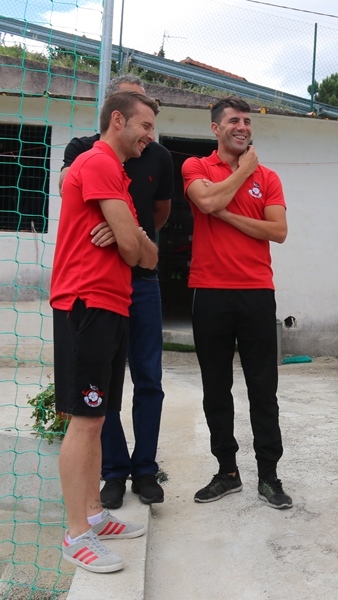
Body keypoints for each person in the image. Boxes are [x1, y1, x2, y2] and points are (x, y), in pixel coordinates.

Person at [51, 90, 160, 573]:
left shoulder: (117, 175)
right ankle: (76, 535)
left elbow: (148, 256)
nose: (150, 138)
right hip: (85, 302)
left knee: (98, 416)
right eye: (146, 126)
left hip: (112, 303)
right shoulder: (96, 163)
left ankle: (94, 514)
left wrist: (125, 235)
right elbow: (137, 251)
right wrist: (128, 239)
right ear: (118, 120)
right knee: (84, 417)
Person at [181, 97, 292, 509]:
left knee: (263, 389)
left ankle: (269, 476)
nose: (242, 126)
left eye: (246, 121)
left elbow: (278, 230)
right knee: (216, 389)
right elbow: (205, 201)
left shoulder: (270, 177)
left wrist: (223, 212)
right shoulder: (195, 167)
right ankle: (227, 472)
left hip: (256, 293)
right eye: (233, 121)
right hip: (209, 293)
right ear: (216, 128)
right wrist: (242, 173)